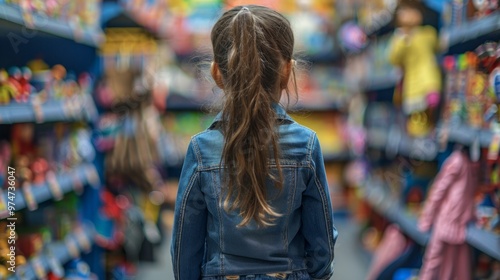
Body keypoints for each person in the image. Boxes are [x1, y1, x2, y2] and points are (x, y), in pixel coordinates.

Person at [171, 5, 338, 280]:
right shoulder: (306, 144)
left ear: (216, 73)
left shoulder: (201, 149)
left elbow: (184, 247)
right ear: (287, 72)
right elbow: (322, 243)